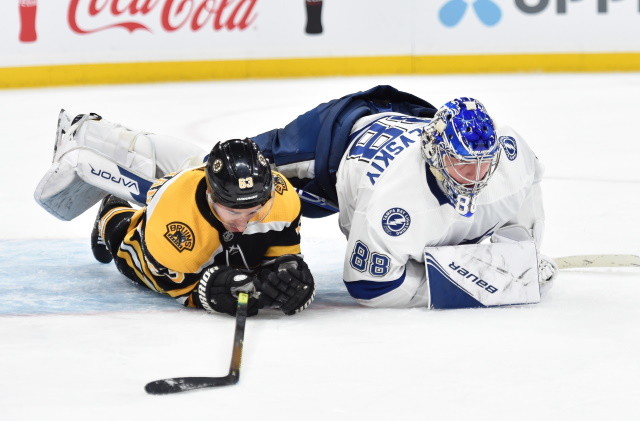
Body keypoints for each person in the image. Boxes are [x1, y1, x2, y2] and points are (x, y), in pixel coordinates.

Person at [250, 85, 557, 309]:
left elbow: (530, 185)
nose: (473, 178)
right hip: (333, 139)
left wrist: (518, 256)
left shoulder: (511, 156)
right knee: (248, 176)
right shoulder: (391, 201)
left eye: (484, 164)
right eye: (461, 163)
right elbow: (368, 286)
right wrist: (464, 280)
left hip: (409, 113)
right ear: (435, 154)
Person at [34, 112, 315, 317]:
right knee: (127, 245)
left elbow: (281, 257)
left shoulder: (281, 196)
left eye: (254, 211)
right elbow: (175, 286)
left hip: (189, 181)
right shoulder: (174, 219)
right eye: (232, 211)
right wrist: (212, 290)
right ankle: (111, 208)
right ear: (210, 195)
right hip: (162, 220)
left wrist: (290, 277)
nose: (242, 224)